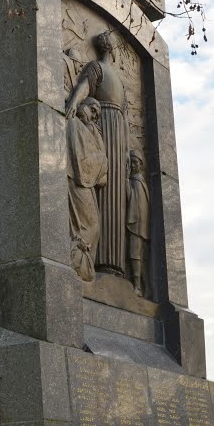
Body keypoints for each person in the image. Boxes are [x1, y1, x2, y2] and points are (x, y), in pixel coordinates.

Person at [66, 31, 129, 276]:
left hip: (116, 136)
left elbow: (123, 115)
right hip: (102, 132)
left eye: (110, 40)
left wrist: (123, 151)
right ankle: (97, 260)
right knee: (101, 198)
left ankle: (115, 266)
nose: (108, 40)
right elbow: (84, 87)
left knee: (115, 196)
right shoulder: (96, 68)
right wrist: (73, 101)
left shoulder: (120, 81)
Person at [66, 98, 107, 281]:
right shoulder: (73, 122)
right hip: (77, 180)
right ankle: (77, 264)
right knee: (90, 226)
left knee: (94, 227)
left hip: (86, 181)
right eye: (92, 109)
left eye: (97, 114)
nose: (94, 115)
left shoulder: (87, 130)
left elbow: (100, 161)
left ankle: (82, 263)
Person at [126, 148, 150, 296]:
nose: (133, 166)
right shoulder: (139, 181)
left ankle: (138, 287)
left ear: (141, 164)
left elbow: (131, 199)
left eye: (135, 163)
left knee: (135, 255)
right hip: (139, 226)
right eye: (132, 163)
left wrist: (124, 181)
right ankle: (144, 287)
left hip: (137, 226)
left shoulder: (137, 182)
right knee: (138, 256)